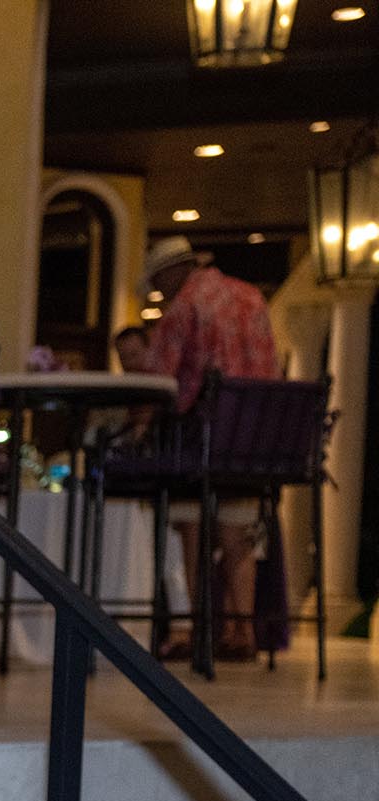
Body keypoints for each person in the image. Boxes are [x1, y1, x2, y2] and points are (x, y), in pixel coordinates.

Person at [141, 235, 281, 661]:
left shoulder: (185, 305)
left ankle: (193, 625)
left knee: (188, 521)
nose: (160, 293)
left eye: (158, 284)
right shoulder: (252, 296)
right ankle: (242, 631)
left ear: (171, 273)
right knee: (237, 527)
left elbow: (159, 379)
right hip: (256, 442)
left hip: (206, 442)